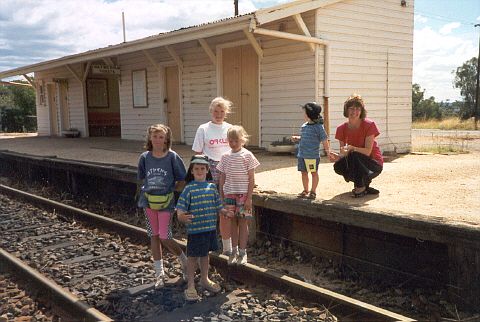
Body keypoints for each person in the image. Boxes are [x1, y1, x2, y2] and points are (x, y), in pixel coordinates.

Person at [137, 124, 188, 289]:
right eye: (155, 136)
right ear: (150, 138)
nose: (158, 140)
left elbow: (182, 179)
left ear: (166, 139)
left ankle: (184, 261)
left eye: (161, 137)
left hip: (166, 202)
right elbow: (142, 178)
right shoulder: (145, 157)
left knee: (165, 236)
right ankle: (159, 273)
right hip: (148, 201)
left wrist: (172, 191)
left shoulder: (172, 157)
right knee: (154, 235)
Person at [176, 154, 226, 301]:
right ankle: (191, 284)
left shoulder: (211, 187)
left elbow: (218, 205)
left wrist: (225, 212)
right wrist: (181, 216)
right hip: (195, 230)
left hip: (209, 228)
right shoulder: (189, 189)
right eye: (196, 168)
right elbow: (180, 207)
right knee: (192, 257)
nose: (199, 171)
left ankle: (204, 279)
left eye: (202, 168)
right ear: (191, 171)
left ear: (207, 170)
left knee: (205, 255)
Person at [192, 97, 234, 257]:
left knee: (225, 208)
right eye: (216, 111)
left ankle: (227, 246)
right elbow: (198, 153)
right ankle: (208, 244)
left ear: (226, 113)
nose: (218, 114)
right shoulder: (203, 128)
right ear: (211, 111)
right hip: (209, 167)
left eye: (222, 111)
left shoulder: (230, 128)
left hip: (227, 167)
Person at [217, 125, 260, 265]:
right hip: (230, 195)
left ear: (242, 140)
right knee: (232, 223)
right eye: (230, 140)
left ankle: (243, 252)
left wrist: (249, 198)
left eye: (236, 140)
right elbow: (222, 178)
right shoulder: (225, 157)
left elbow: (251, 178)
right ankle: (234, 250)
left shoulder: (247, 155)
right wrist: (221, 196)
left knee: (242, 223)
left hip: (243, 196)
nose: (233, 143)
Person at [330, 94, 383, 197]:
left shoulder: (369, 125)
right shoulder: (341, 128)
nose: (354, 112)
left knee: (354, 155)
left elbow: (367, 151)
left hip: (373, 164)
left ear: (361, 111)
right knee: (338, 166)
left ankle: (361, 187)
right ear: (346, 110)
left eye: (358, 109)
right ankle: (364, 185)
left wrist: (352, 148)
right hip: (357, 161)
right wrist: (338, 156)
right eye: (351, 108)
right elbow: (344, 153)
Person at [291, 102, 333, 200]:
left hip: (312, 156)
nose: (303, 114)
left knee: (314, 173)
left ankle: (313, 191)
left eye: (304, 112)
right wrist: (298, 138)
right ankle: (306, 190)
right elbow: (305, 138)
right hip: (302, 155)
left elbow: (324, 139)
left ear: (309, 114)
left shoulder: (318, 127)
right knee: (303, 173)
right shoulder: (304, 126)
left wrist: (328, 152)